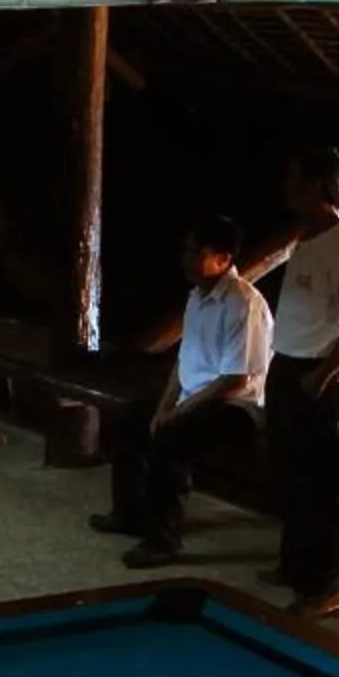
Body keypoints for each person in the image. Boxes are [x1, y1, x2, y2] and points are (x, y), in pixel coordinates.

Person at [90, 214, 271, 568]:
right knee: (133, 419)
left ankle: (163, 539)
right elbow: (182, 363)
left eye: (196, 252)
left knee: (171, 439)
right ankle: (129, 514)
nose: (186, 259)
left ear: (224, 259)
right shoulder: (197, 298)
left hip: (235, 408)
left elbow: (235, 380)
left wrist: (176, 414)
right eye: (187, 250)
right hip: (199, 398)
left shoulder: (243, 303)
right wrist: (164, 406)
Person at [261, 147, 339, 618]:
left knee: (318, 486)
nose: (288, 187)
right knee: (291, 476)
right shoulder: (306, 237)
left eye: (295, 178)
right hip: (287, 367)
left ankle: (323, 585)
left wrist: (323, 373)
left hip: (314, 376)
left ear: (316, 185)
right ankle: (294, 566)